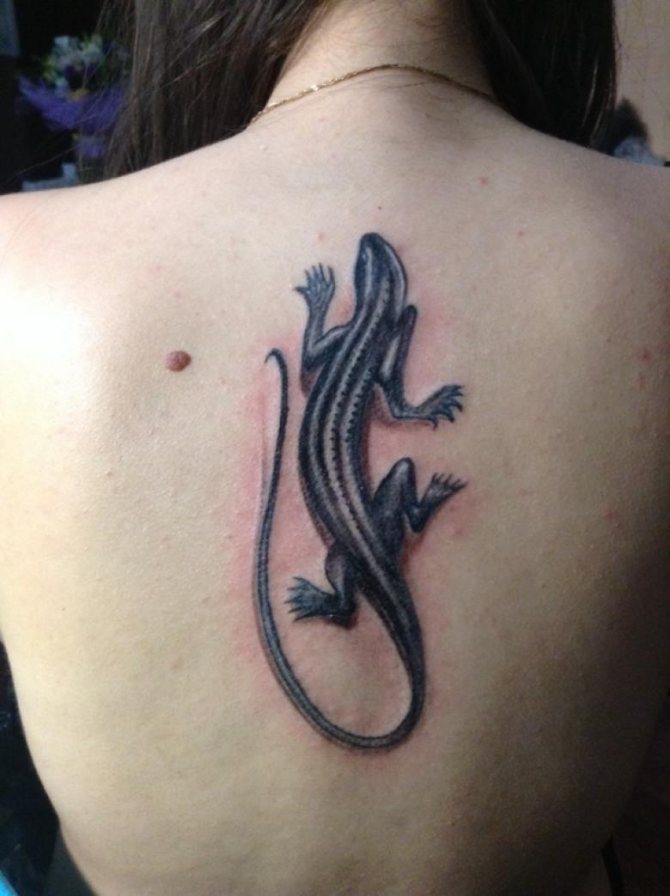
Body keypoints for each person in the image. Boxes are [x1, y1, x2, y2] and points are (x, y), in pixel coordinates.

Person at [0, 1, 668, 893]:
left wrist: (328, 318)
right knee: (392, 500)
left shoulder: (15, 263)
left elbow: (338, 370)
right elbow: (389, 398)